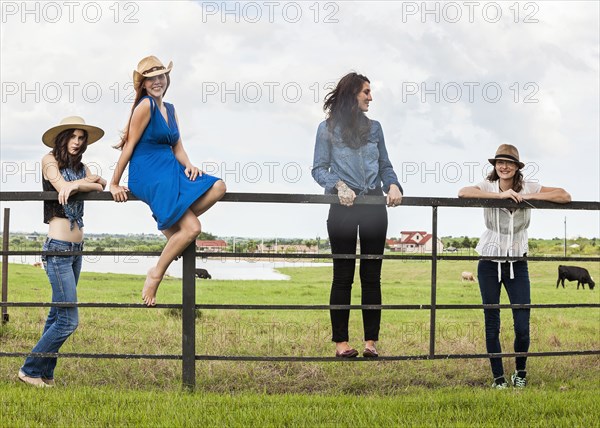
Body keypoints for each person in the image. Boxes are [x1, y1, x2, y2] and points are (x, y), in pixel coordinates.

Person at [110, 55, 226, 306]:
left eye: (161, 76)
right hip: (148, 172)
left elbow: (178, 146)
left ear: (167, 78)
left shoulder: (170, 109)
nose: (157, 81)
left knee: (218, 186)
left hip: (170, 168)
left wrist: (190, 165)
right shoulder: (145, 106)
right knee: (193, 228)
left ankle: (169, 224)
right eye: (151, 78)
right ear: (143, 83)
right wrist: (114, 182)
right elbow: (129, 145)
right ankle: (155, 273)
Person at [458, 144, 571, 388]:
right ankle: (498, 377)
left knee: (522, 324)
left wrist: (528, 198)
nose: (504, 166)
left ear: (517, 167)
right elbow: (463, 193)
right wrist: (498, 196)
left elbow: (564, 195)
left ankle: (520, 372)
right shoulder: (487, 186)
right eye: (500, 162)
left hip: (517, 261)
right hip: (488, 261)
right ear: (495, 165)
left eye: (509, 162)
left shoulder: (528, 186)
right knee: (492, 322)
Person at [312, 72, 403, 358]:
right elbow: (318, 169)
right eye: (366, 92)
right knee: (343, 275)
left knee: (372, 275)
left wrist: (393, 185)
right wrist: (337, 186)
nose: (370, 97)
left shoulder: (375, 128)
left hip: (374, 205)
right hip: (344, 206)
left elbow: (386, 165)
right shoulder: (326, 129)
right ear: (352, 94)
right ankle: (341, 344)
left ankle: (370, 343)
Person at [18, 116, 106, 387]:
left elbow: (100, 184)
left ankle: (45, 373)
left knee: (57, 314)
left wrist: (81, 183)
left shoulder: (81, 168)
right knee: (68, 320)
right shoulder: (49, 160)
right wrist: (84, 182)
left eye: (82, 138)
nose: (78, 142)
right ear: (63, 137)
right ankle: (29, 369)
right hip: (57, 248)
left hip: (76, 249)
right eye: (73, 136)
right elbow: (59, 186)